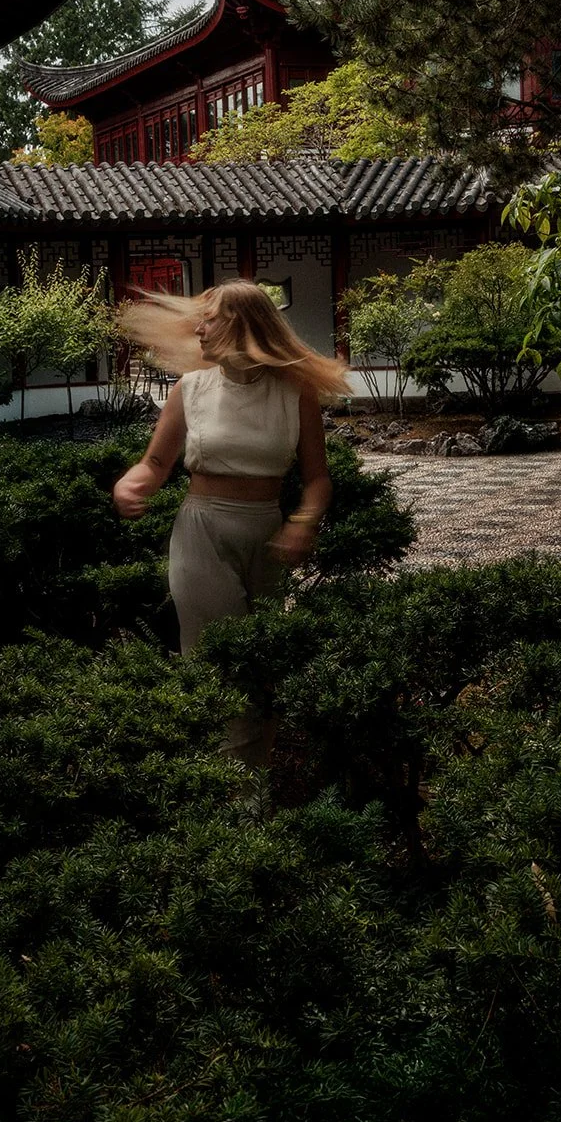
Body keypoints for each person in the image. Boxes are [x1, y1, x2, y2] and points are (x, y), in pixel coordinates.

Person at [113, 280, 351, 766]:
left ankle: (251, 786)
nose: (198, 328)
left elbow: (318, 480)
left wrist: (303, 522)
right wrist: (129, 484)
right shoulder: (191, 388)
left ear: (243, 324)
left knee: (260, 665)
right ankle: (227, 796)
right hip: (202, 533)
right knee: (216, 664)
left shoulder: (295, 392)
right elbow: (155, 464)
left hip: (266, 533)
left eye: (211, 318)